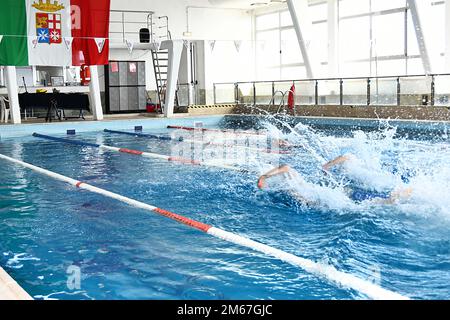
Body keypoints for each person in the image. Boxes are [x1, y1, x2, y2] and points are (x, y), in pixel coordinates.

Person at [257, 162, 413, 206]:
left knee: (359, 205)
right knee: (360, 201)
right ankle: (394, 196)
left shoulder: (294, 182)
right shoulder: (293, 186)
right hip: (326, 194)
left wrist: (263, 177)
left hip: (324, 195)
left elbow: (285, 167)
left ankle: (394, 197)